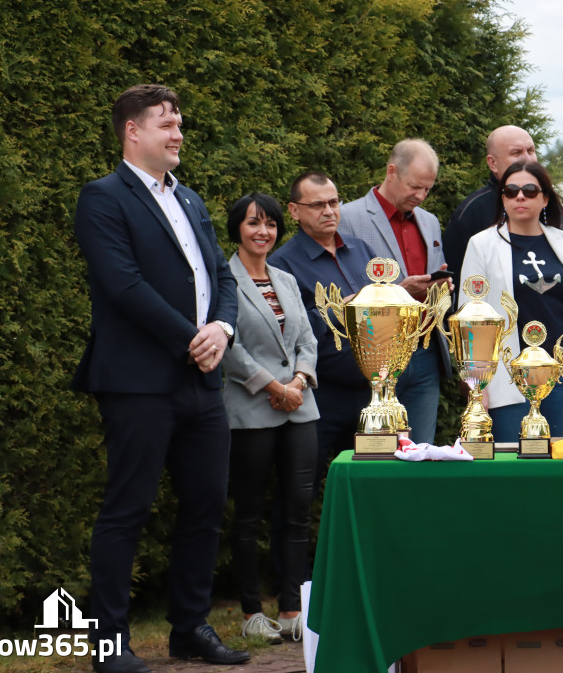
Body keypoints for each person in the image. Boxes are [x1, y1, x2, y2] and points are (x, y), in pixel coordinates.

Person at [72, 84, 249, 673]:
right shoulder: (102, 198)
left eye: (179, 124)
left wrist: (221, 329)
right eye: (166, 124)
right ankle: (109, 645)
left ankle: (189, 629)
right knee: (127, 509)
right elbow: (122, 286)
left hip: (201, 380)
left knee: (205, 506)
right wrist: (190, 339)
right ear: (132, 131)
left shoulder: (192, 199)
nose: (177, 134)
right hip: (139, 382)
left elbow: (222, 278)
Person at [459, 161, 563, 442]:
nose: (520, 196)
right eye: (511, 190)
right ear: (502, 198)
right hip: (508, 379)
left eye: (530, 190)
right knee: (515, 466)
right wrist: (476, 387)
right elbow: (471, 318)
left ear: (544, 199)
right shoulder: (481, 244)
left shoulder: (562, 240)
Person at [222, 193, 318, 644]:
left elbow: (307, 338)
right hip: (251, 408)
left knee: (298, 512)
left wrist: (298, 381)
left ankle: (291, 609)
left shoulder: (285, 277)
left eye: (271, 224)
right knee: (248, 514)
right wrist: (271, 386)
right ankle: (250, 613)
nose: (263, 232)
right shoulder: (222, 280)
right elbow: (227, 346)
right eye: (253, 223)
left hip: (300, 408)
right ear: (236, 228)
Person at [339, 139, 452, 444]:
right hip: (375, 351)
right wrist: (400, 290)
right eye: (415, 186)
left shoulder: (429, 221)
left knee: (421, 446)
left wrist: (438, 290)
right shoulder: (347, 218)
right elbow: (343, 292)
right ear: (391, 172)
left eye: (427, 189)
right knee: (377, 448)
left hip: (425, 350)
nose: (421, 196)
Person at [267, 172, 375, 491]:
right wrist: (337, 310)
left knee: (369, 489)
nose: (328, 211)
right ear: (294, 211)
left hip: (371, 395)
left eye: (333, 202)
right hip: (319, 396)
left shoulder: (362, 251)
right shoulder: (281, 265)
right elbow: (284, 333)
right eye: (317, 204)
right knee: (300, 492)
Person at [444, 125, 563, 288]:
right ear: (493, 163)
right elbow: (461, 286)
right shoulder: (471, 213)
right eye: (516, 153)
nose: (527, 159)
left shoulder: (553, 208)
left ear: (545, 200)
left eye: (531, 151)